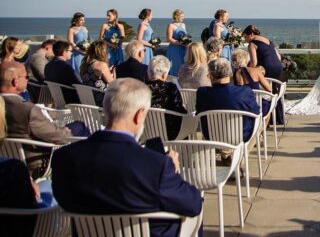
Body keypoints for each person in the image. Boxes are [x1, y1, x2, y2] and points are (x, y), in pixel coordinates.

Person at [51, 78, 202, 237]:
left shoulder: (64, 158)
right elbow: (193, 204)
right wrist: (174, 171)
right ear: (139, 115)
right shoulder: (156, 165)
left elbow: (64, 200)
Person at [1, 62, 87, 177]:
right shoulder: (27, 110)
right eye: (26, 77)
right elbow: (58, 137)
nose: (27, 80)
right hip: (35, 165)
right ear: (15, 82)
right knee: (79, 127)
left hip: (5, 161)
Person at [0, 96, 56, 236]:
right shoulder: (12, 170)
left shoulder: (13, 170)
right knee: (53, 189)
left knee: (48, 184)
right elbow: (29, 212)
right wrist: (34, 196)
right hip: (26, 227)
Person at [196, 59, 260, 141]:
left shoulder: (202, 92)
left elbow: (198, 111)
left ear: (210, 75)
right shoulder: (245, 91)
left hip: (211, 136)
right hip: (240, 137)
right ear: (230, 74)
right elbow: (256, 112)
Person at [243, 24, 286, 122]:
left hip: (267, 68)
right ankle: (279, 118)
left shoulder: (252, 44)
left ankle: (265, 116)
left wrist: (248, 71)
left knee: (264, 92)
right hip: (278, 67)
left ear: (251, 34)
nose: (246, 40)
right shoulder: (267, 40)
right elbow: (278, 56)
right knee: (275, 92)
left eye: (246, 37)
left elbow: (254, 62)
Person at [146, 56, 186, 140]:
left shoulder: (140, 88)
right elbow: (179, 110)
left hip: (146, 132)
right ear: (164, 75)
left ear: (149, 73)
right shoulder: (170, 88)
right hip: (169, 133)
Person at [232, 49, 272, 115]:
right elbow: (269, 89)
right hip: (256, 106)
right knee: (269, 104)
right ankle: (263, 124)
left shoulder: (230, 75)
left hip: (238, 108)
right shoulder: (256, 71)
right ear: (247, 59)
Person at [44, 40, 82, 104]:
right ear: (64, 52)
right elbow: (78, 83)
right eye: (71, 51)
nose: (72, 53)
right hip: (71, 100)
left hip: (57, 99)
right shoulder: (65, 67)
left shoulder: (48, 66)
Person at [165, 9, 188, 76]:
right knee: (175, 65)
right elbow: (169, 38)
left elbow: (185, 36)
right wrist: (180, 43)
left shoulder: (183, 25)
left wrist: (186, 41)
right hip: (174, 49)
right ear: (177, 16)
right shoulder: (171, 25)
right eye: (182, 16)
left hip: (183, 49)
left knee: (183, 65)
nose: (183, 18)